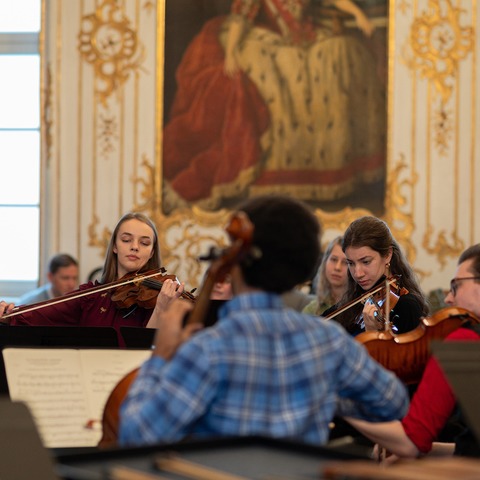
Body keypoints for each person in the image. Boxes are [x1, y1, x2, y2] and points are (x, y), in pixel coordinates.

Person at [118, 195, 409, 447]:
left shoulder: (207, 351)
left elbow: (134, 434)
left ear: (238, 261)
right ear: (302, 267)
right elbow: (394, 402)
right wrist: (326, 392)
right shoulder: (329, 342)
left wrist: (162, 356)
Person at [163, 0, 385, 213]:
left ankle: (333, 172)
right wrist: (231, 53)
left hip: (308, 39)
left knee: (347, 51)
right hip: (268, 41)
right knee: (275, 77)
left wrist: (358, 14)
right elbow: (241, 18)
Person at [345, 244, 480, 460]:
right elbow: (472, 449)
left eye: (456, 286)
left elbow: (410, 442)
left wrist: (339, 404)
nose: (448, 299)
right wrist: (428, 452)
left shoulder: (466, 340)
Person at [0, 212, 185, 345]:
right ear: (114, 246)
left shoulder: (160, 299)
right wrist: (11, 314)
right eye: (126, 240)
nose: (135, 247)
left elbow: (149, 351)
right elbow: (43, 314)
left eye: (144, 243)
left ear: (152, 252)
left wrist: (161, 307)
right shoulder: (90, 297)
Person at [324, 216, 429, 336]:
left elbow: (402, 354)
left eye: (366, 262)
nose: (358, 273)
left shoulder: (407, 306)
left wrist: (373, 333)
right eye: (351, 263)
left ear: (387, 255)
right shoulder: (353, 303)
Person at [303, 236, 348, 315]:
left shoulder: (360, 307)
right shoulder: (311, 309)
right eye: (334, 259)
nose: (337, 267)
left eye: (345, 262)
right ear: (325, 262)